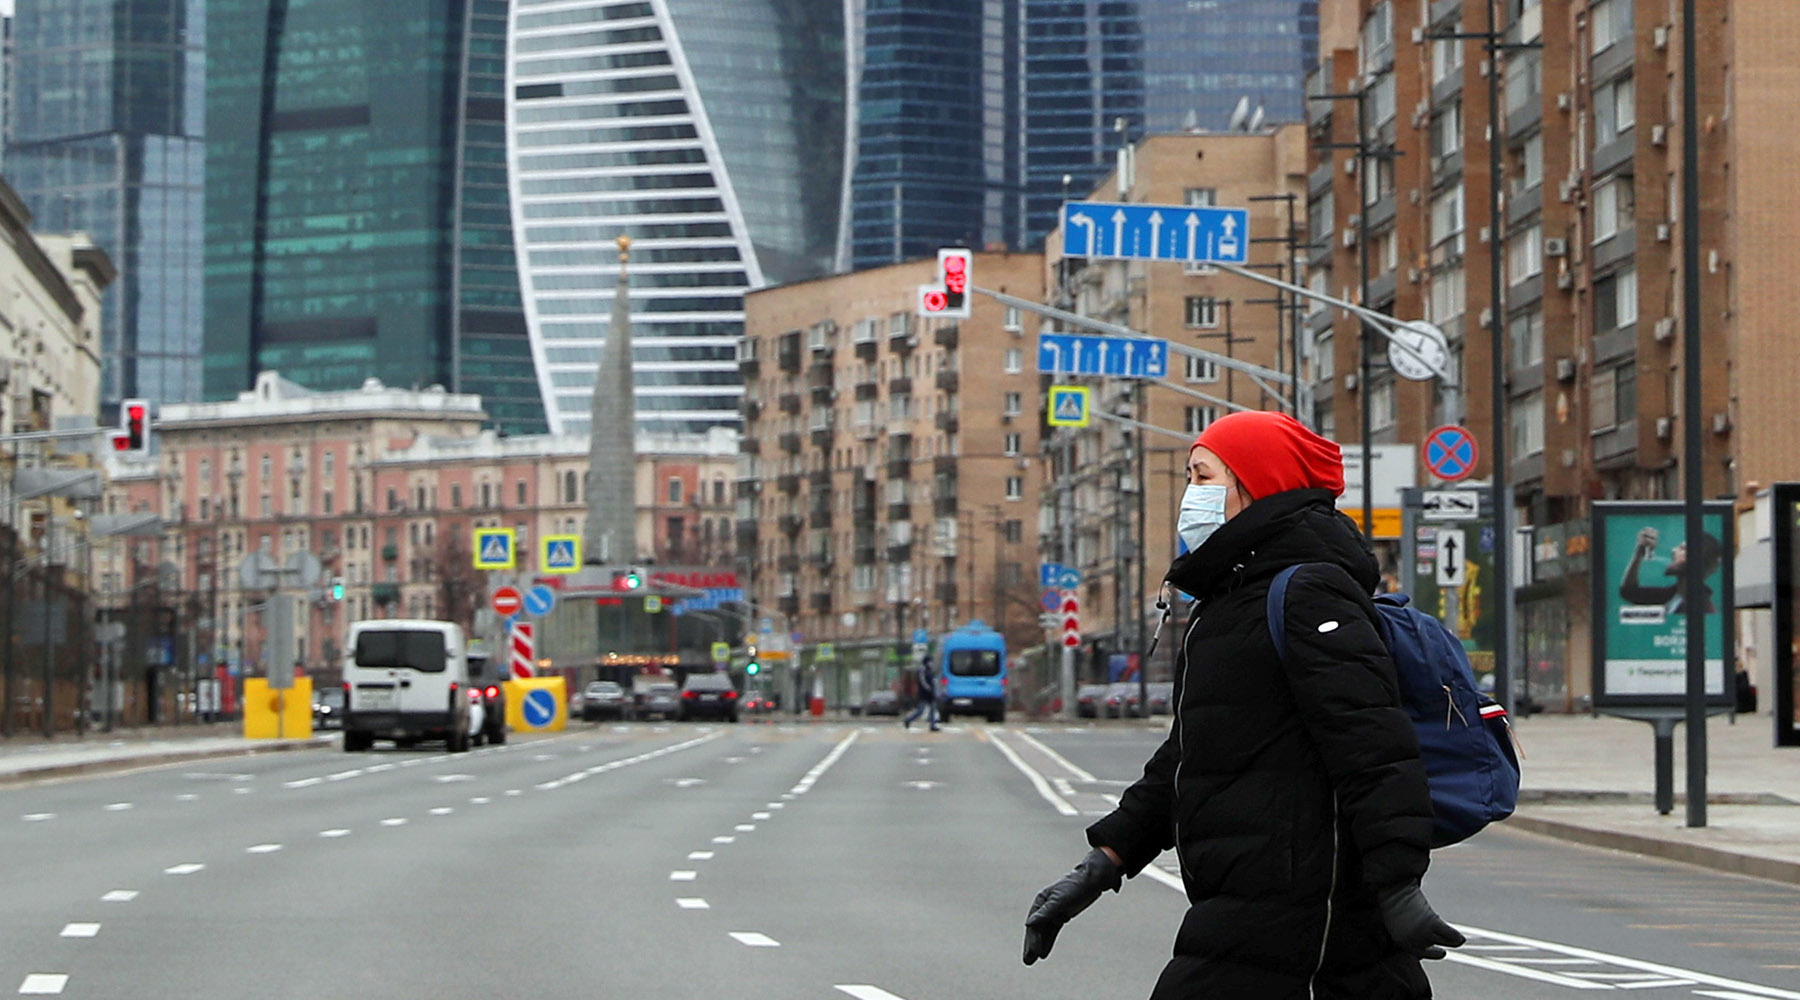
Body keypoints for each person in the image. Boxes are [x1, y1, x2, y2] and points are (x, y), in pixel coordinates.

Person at [1021, 411, 1462, 999]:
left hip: (1303, 911)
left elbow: (1374, 745)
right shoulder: (1228, 603)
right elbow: (1191, 755)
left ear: (1257, 486)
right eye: (1188, 478)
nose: (1190, 496)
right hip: (1244, 903)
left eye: (1203, 478)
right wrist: (1103, 862)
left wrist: (1398, 885)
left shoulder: (1305, 591)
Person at [1619, 525, 1721, 615]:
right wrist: (1639, 552)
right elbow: (1628, 592)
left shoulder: (1702, 608)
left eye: (1682, 548)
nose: (1673, 550)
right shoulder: (1673, 594)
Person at [903, 652, 939, 731]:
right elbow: (923, 682)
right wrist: (929, 688)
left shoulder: (930, 670)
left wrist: (934, 690)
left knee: (933, 708)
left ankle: (932, 725)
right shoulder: (922, 670)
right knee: (920, 710)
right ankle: (908, 720)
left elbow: (933, 680)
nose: (931, 663)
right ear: (926, 661)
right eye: (930, 661)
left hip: (931, 693)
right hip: (924, 694)